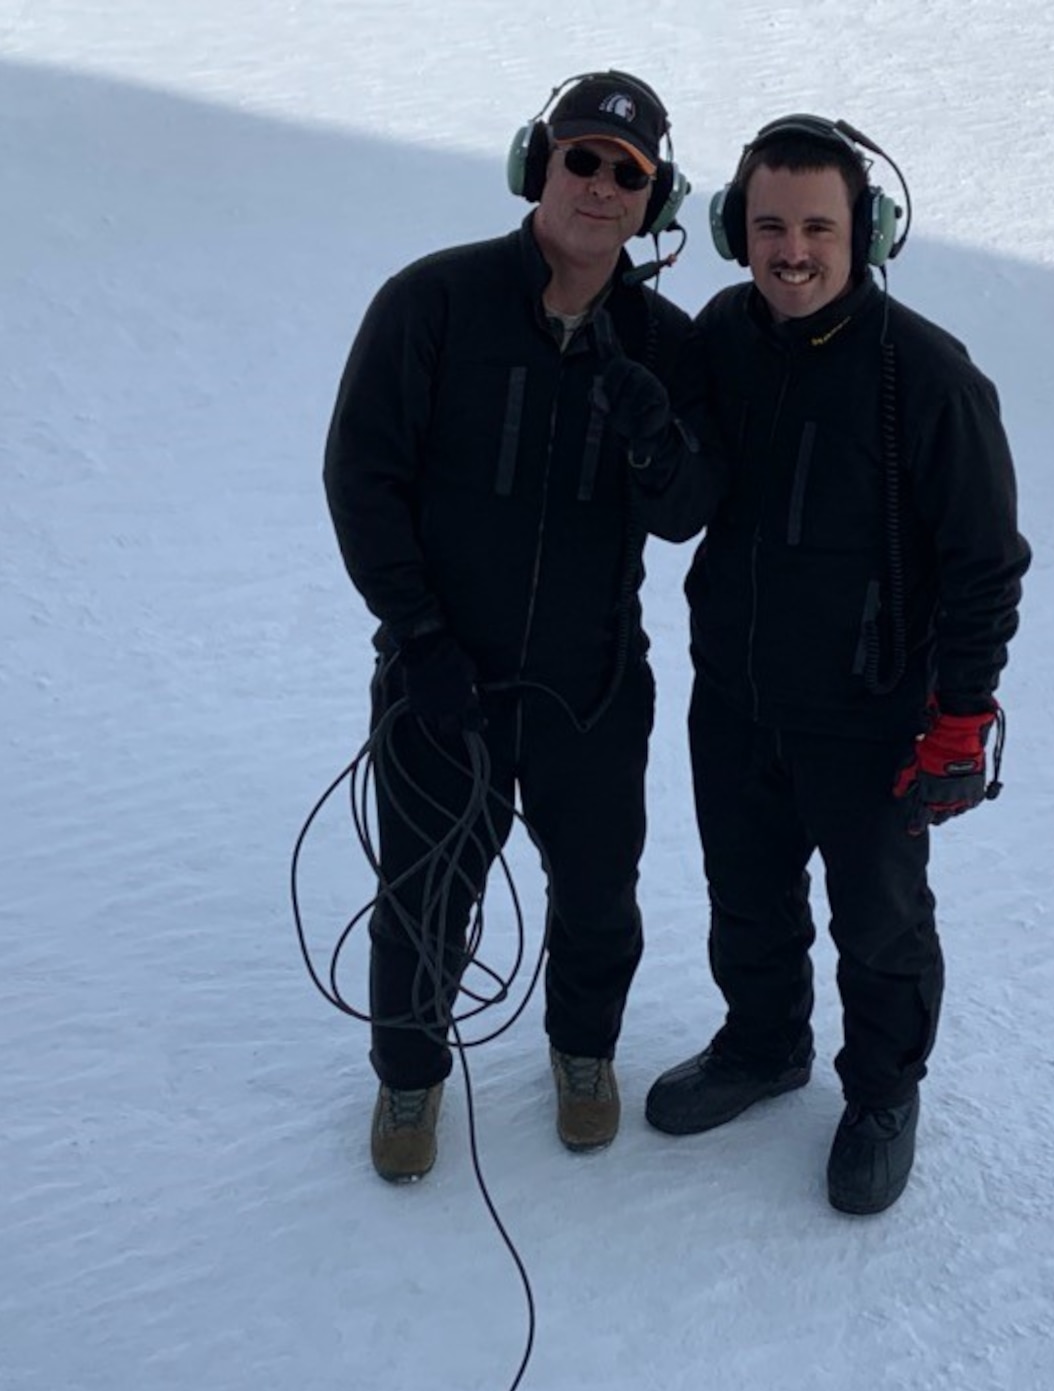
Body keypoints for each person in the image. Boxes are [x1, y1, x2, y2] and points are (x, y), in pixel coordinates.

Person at [643, 115, 1031, 1215]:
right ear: (735, 231)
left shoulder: (930, 379)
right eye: (768, 225)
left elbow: (983, 565)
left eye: (817, 225)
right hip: (736, 695)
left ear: (868, 233)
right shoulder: (722, 333)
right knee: (745, 896)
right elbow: (688, 505)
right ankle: (764, 1045)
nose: (792, 250)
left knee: (878, 920)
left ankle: (881, 1094)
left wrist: (960, 718)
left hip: (870, 716)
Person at [322, 71, 705, 1182]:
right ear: (536, 164)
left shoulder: (663, 345)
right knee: (424, 895)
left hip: (589, 685)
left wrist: (652, 438)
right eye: (580, 159)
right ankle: (409, 1077)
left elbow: (685, 514)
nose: (598, 186)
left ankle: (583, 1054)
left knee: (598, 894)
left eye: (626, 174)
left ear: (653, 199)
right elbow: (363, 477)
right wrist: (420, 637)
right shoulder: (430, 301)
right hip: (442, 678)